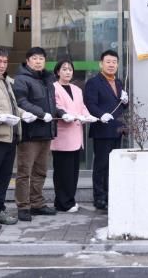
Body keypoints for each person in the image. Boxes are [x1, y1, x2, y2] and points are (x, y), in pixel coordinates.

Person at [0, 48, 37, 230]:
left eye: (4, 62)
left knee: (3, 178)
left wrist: (24, 114)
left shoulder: (7, 81)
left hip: (11, 136)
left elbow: (13, 107)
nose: (2, 65)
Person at [13, 46, 70, 221]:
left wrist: (61, 113)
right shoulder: (21, 79)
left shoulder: (48, 79)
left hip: (46, 131)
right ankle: (23, 206)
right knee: (25, 172)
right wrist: (40, 113)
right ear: (28, 60)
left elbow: (52, 104)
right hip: (30, 133)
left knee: (40, 171)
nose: (38, 62)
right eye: (35, 58)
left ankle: (37, 204)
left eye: (41, 58)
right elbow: (21, 102)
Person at [83, 49, 128, 211]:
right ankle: (99, 197)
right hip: (102, 129)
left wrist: (125, 102)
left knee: (113, 165)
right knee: (101, 165)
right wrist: (101, 114)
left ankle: (110, 194)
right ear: (101, 64)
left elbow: (120, 106)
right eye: (108, 62)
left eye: (114, 62)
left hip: (117, 129)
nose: (111, 65)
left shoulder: (119, 82)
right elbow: (90, 104)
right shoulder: (93, 82)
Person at [52, 59, 98, 212]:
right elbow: (57, 107)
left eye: (70, 69)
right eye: (64, 69)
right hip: (63, 136)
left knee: (73, 172)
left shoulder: (77, 89)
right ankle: (62, 203)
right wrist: (70, 115)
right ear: (58, 71)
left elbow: (82, 107)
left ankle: (69, 200)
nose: (67, 72)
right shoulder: (53, 88)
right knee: (62, 172)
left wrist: (87, 116)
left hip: (76, 135)